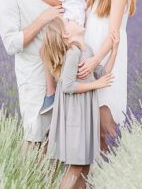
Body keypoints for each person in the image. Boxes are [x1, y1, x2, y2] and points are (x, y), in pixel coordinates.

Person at [0, 0, 64, 143]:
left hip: (65, 72)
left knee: (63, 140)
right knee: (35, 138)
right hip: (34, 79)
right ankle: (29, 177)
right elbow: (11, 44)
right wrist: (43, 19)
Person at [19, 0, 87, 115]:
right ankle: (54, 91)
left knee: (46, 49)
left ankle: (52, 92)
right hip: (72, 18)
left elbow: (57, 1)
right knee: (48, 50)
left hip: (70, 21)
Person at [79, 0, 135, 151]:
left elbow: (113, 34)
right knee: (97, 127)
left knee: (107, 120)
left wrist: (94, 61)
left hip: (107, 57)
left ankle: (121, 168)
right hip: (93, 58)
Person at [43, 19, 112, 189]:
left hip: (85, 114)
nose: (71, 19)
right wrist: (95, 85)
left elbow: (103, 74)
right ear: (67, 34)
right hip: (76, 117)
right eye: (67, 22)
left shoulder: (86, 49)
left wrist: (115, 49)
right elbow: (67, 86)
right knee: (76, 167)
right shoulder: (73, 52)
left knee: (85, 168)